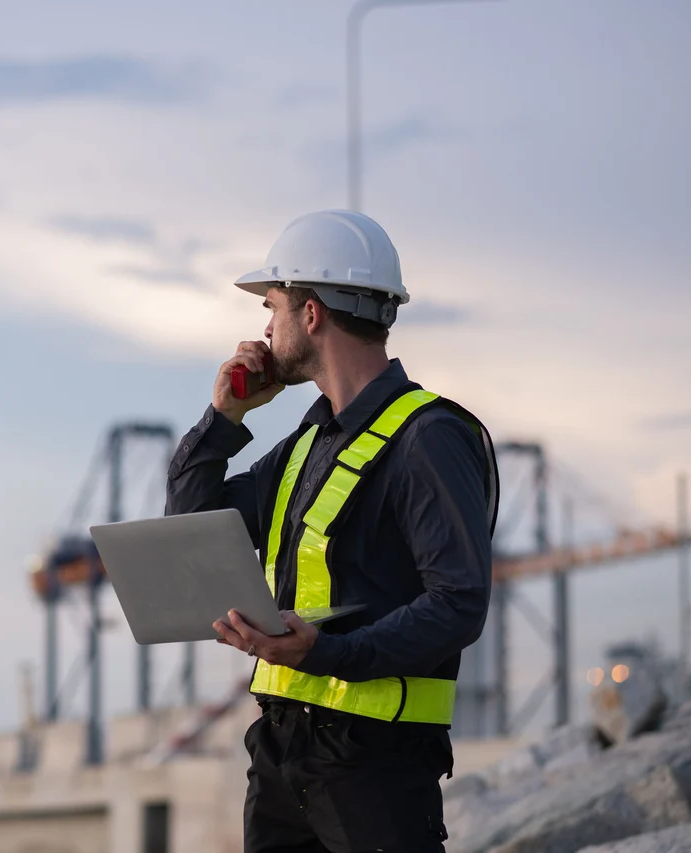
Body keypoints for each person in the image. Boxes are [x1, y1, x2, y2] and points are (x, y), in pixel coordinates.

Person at [165, 210, 499, 853]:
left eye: (273, 306)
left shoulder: (429, 438)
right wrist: (223, 416)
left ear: (310, 314)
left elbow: (459, 603)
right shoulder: (305, 447)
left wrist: (327, 654)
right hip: (282, 756)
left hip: (375, 770)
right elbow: (194, 533)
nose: (264, 328)